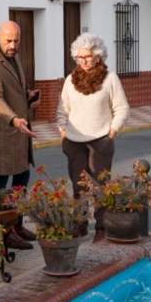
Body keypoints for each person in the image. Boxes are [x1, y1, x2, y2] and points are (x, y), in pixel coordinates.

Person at [56, 33, 130, 243]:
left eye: (87, 56)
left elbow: (122, 109)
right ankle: (80, 225)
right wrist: (63, 134)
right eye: (79, 57)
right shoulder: (71, 80)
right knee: (78, 187)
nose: (83, 61)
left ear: (98, 56)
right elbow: (62, 110)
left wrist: (111, 133)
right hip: (74, 141)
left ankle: (101, 228)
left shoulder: (110, 79)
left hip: (101, 141)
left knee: (100, 187)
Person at [0, 21, 40, 250]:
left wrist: (28, 94)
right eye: (8, 40)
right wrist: (14, 119)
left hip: (20, 132)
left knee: (21, 181)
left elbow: (16, 88)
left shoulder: (13, 58)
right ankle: (0, 234)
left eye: (16, 40)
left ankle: (16, 226)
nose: (13, 45)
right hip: (5, 132)